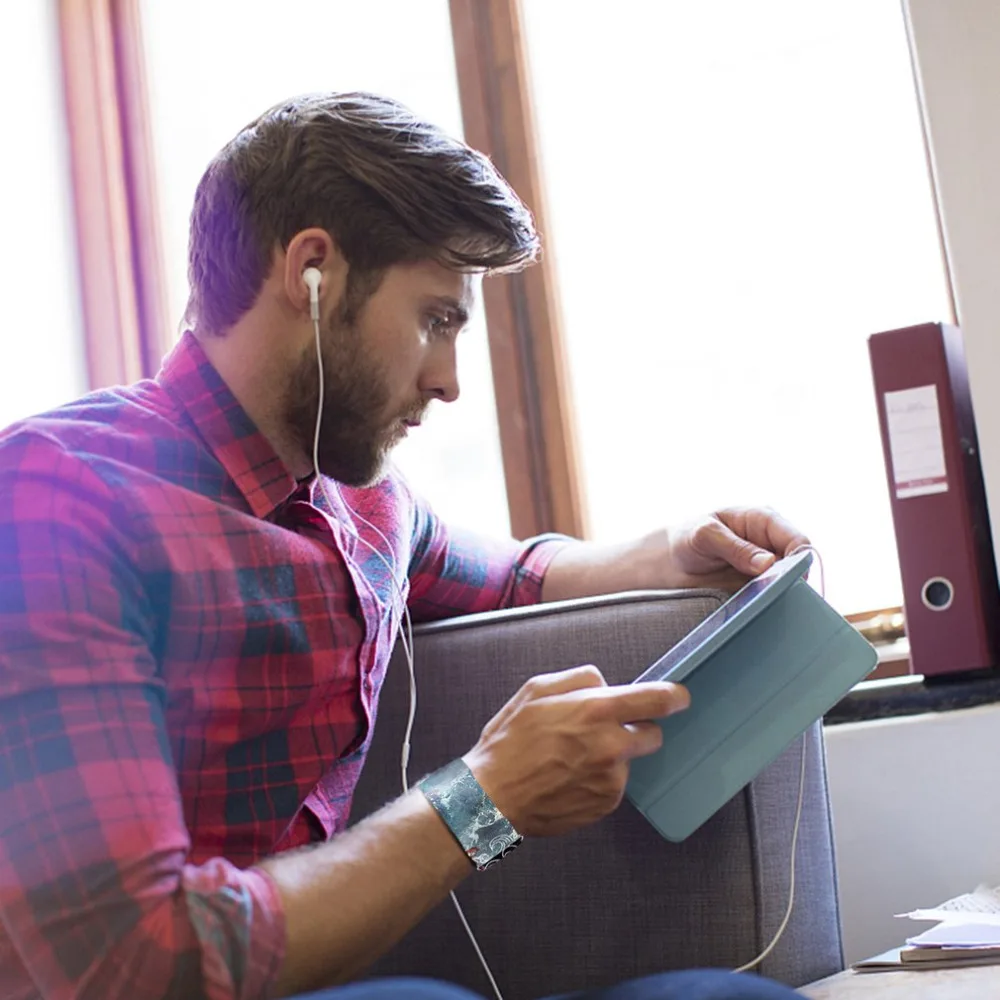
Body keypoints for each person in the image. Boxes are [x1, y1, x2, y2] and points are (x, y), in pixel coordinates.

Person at [0, 92, 811, 1000]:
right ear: (314, 272)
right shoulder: (55, 502)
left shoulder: (367, 507)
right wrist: (480, 801)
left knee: (729, 999)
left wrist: (672, 551)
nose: (450, 383)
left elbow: (511, 574)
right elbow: (133, 963)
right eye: (436, 319)